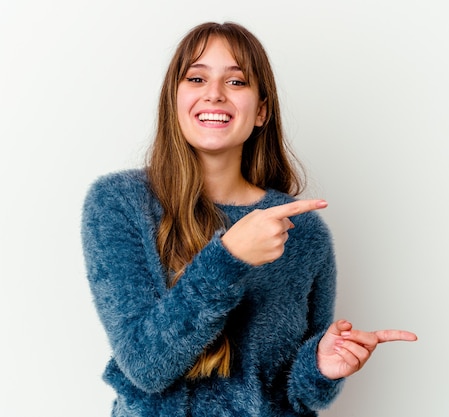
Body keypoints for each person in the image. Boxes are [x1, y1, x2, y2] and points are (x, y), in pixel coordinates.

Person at [81, 21, 417, 417]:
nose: (214, 94)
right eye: (196, 77)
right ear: (173, 100)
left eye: (236, 82)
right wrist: (227, 259)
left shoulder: (302, 231)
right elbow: (146, 367)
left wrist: (323, 367)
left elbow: (300, 394)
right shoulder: (120, 203)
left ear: (260, 111)